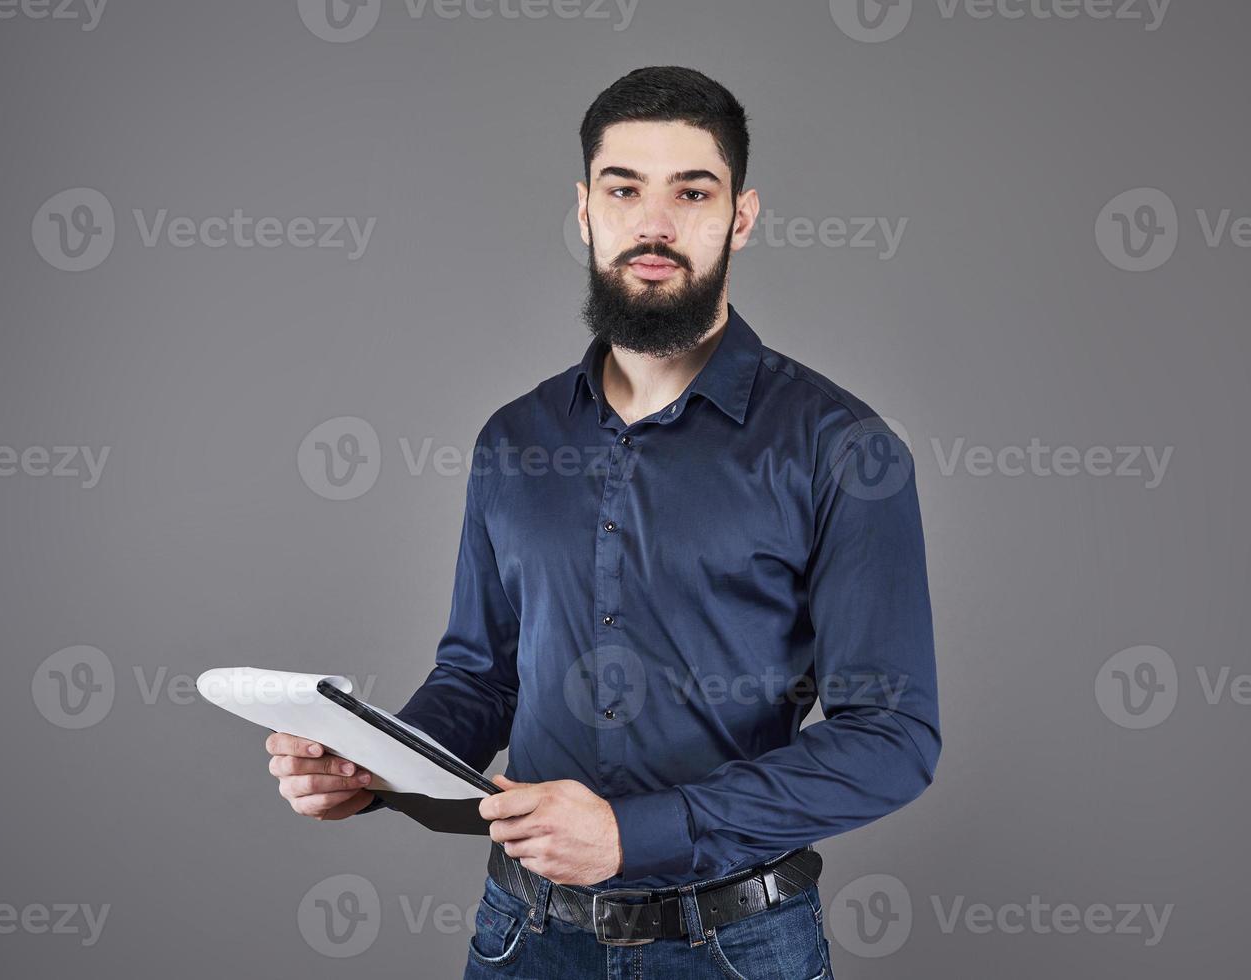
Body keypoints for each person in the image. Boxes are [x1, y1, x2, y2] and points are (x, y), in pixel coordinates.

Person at [265, 65, 940, 979]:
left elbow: (890, 739)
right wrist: (378, 769)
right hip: (522, 938)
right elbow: (481, 679)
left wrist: (635, 833)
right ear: (585, 209)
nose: (653, 223)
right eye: (625, 189)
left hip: (735, 949)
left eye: (691, 192)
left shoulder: (843, 448)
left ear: (740, 216)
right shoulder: (513, 439)